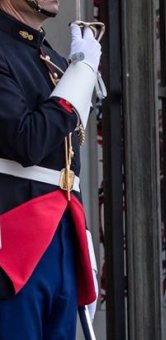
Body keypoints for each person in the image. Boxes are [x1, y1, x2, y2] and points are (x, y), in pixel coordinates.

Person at [0, 0, 101, 338]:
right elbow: (26, 141)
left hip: (61, 235)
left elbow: (69, 161)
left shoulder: (53, 59)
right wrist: (81, 76)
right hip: (13, 240)